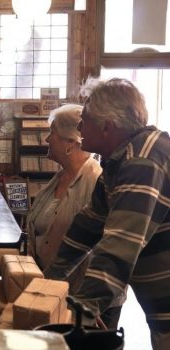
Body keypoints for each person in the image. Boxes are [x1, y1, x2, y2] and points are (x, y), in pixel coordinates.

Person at [44, 77, 170, 350]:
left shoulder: (142, 160)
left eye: (85, 118)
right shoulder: (118, 162)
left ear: (106, 126)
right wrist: (48, 282)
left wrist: (85, 308)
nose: (79, 126)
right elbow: (87, 227)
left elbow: (121, 243)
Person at [27, 104, 123, 328]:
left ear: (70, 141)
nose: (47, 140)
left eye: (52, 133)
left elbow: (111, 247)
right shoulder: (58, 179)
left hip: (87, 304)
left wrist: (93, 301)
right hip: (55, 291)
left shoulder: (97, 181)